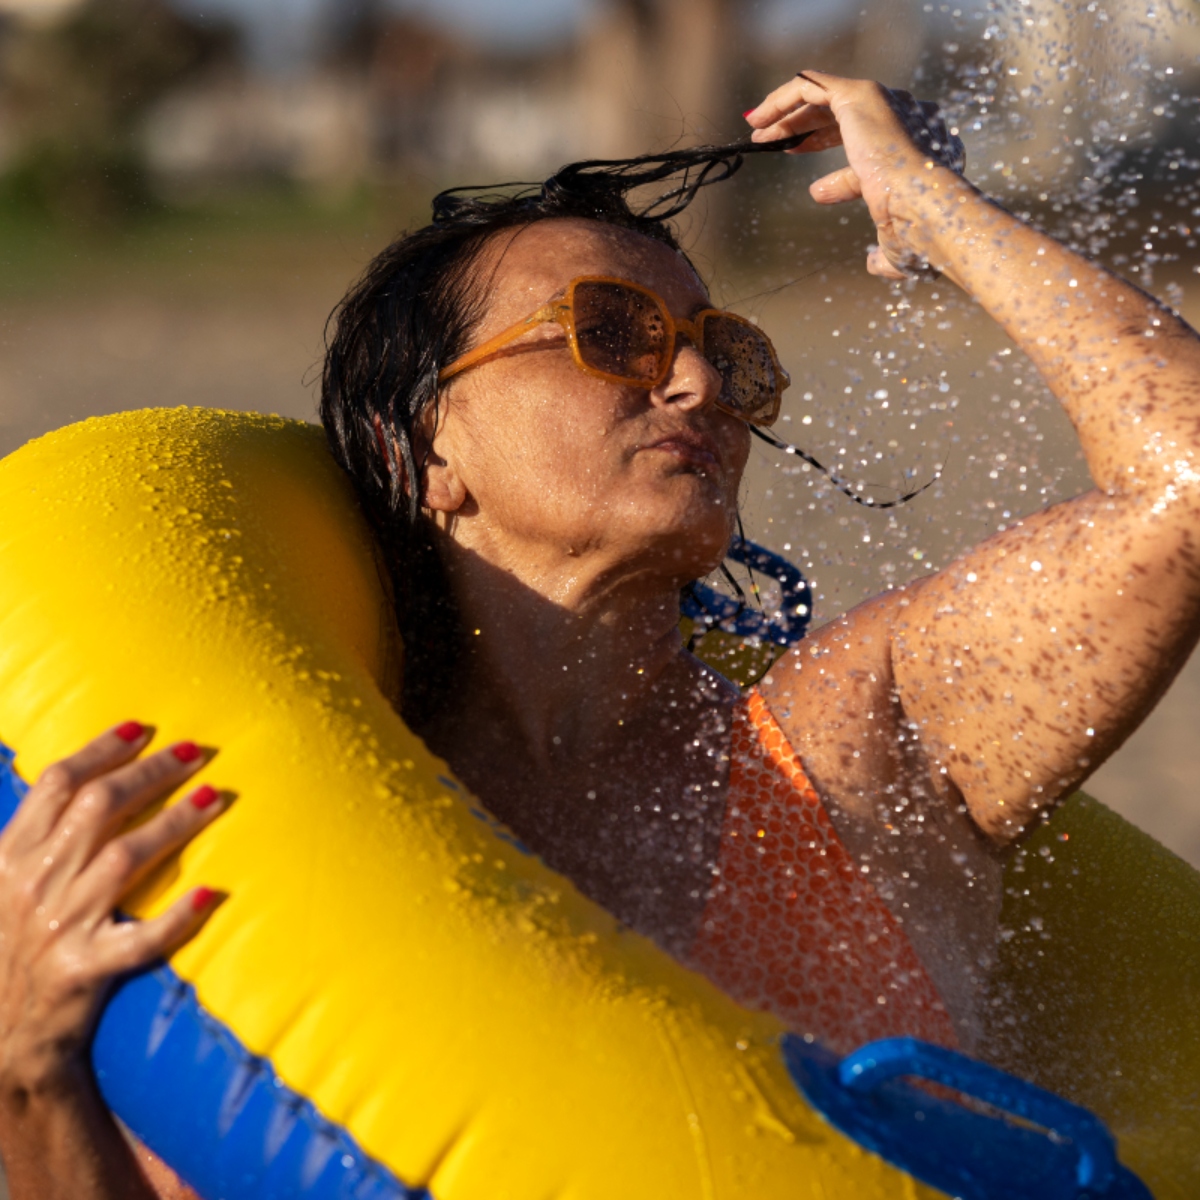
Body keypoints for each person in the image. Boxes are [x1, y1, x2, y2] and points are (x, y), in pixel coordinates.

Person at [3, 69, 1199, 1199]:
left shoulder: (855, 747)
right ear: (422, 451)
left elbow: (1184, 490)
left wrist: (936, 210)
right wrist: (28, 1074)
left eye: (725, 352)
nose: (697, 384)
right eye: (609, 331)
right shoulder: (283, 820)